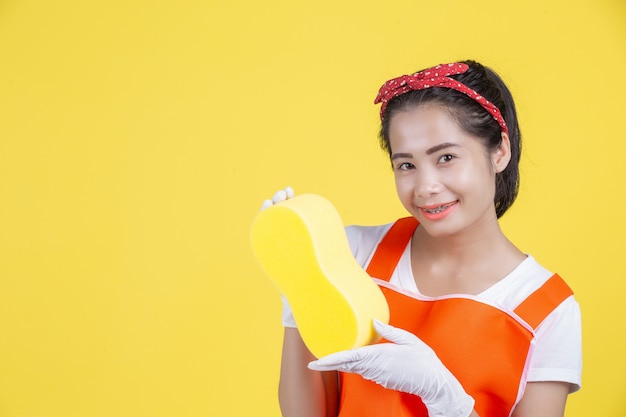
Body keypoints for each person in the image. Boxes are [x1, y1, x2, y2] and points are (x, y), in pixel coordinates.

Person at [263, 60, 582, 417]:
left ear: (500, 152)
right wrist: (299, 290)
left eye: (446, 157)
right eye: (406, 165)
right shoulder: (354, 255)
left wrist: (445, 398)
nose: (425, 187)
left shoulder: (545, 310)